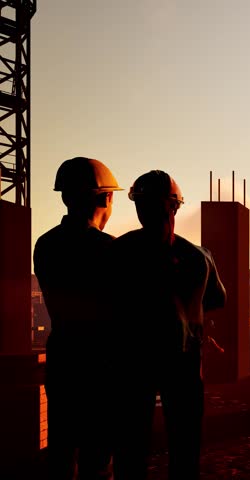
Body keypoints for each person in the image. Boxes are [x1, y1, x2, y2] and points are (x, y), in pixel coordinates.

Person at [110, 170, 225, 480]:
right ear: (175, 206)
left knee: (130, 449)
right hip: (183, 363)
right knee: (184, 447)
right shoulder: (200, 257)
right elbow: (217, 300)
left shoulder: (118, 252)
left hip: (133, 362)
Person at [33, 157, 122, 479]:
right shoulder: (108, 249)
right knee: (97, 457)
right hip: (100, 363)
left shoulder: (45, 244)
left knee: (61, 450)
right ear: (105, 198)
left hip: (63, 357)